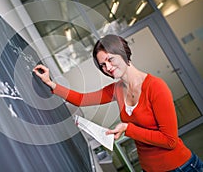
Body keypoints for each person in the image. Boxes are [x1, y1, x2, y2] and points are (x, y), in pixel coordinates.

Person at [33, 34, 203, 172]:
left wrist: (128, 129)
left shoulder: (155, 87)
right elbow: (81, 99)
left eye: (110, 59)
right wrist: (50, 83)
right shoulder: (117, 89)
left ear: (123, 53)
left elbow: (170, 140)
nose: (108, 67)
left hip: (180, 167)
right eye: (103, 65)